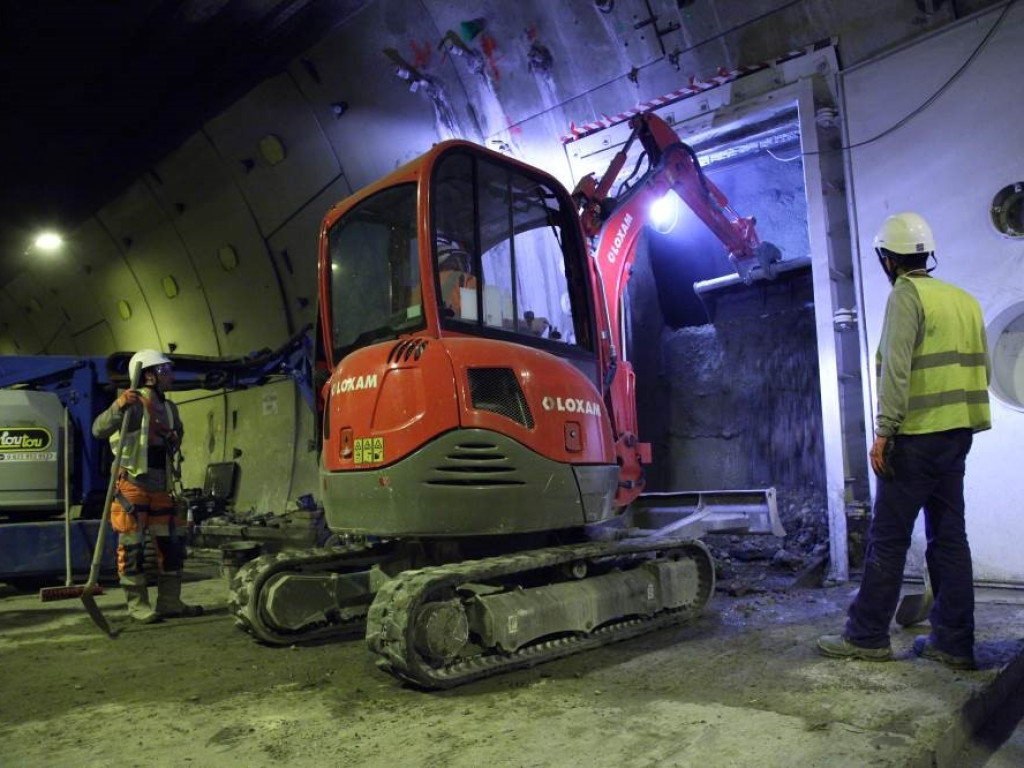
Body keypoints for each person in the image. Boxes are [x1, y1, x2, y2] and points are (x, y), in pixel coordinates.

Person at [818, 212, 990, 670]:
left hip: (914, 437)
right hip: (957, 436)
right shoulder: (963, 300)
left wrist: (883, 432)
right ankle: (954, 643)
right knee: (950, 539)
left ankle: (867, 635)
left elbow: (897, 371)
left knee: (888, 540)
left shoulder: (906, 295)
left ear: (888, 259)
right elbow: (980, 370)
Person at [92, 349, 203, 623]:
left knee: (171, 547)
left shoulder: (169, 408)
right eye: (165, 371)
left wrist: (173, 436)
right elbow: (98, 429)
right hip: (132, 484)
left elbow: (177, 436)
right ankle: (138, 605)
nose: (171, 376)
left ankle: (169, 602)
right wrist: (118, 407)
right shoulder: (130, 403)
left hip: (161, 484)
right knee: (132, 550)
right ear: (149, 376)